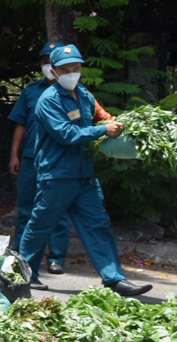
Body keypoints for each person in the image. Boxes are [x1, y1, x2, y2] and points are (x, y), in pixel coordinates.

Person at [19, 44, 152, 296]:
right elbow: (64, 134)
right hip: (57, 175)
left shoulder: (84, 94)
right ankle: (23, 274)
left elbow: (103, 118)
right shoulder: (48, 100)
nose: (72, 73)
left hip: (84, 175)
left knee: (97, 225)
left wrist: (126, 126)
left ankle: (115, 280)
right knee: (40, 225)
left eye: (76, 68)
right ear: (54, 72)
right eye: (65, 69)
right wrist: (103, 131)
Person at [9, 42, 70, 279]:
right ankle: (20, 254)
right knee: (26, 208)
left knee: (59, 210)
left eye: (50, 61)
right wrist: (14, 154)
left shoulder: (73, 92)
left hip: (58, 160)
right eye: (43, 61)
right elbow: (20, 124)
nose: (47, 65)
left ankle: (56, 258)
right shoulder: (31, 91)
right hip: (31, 158)